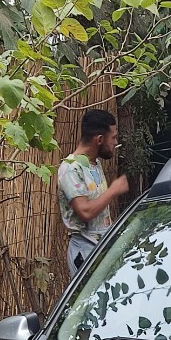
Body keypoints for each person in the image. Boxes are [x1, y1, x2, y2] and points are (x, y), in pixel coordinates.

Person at [58, 109, 129, 277]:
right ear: (99, 139)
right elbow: (85, 211)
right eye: (113, 138)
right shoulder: (70, 168)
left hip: (101, 252)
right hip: (85, 256)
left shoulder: (93, 163)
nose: (115, 142)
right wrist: (113, 190)